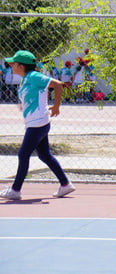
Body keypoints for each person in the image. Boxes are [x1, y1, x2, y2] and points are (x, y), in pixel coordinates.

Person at [0, 50, 75, 200]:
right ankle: (65, 184)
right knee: (44, 154)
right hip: (35, 122)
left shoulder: (34, 76)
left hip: (38, 124)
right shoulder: (25, 78)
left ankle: (15, 190)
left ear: (21, 66)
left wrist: (56, 107)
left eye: (13, 63)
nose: (11, 65)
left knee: (23, 154)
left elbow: (58, 85)